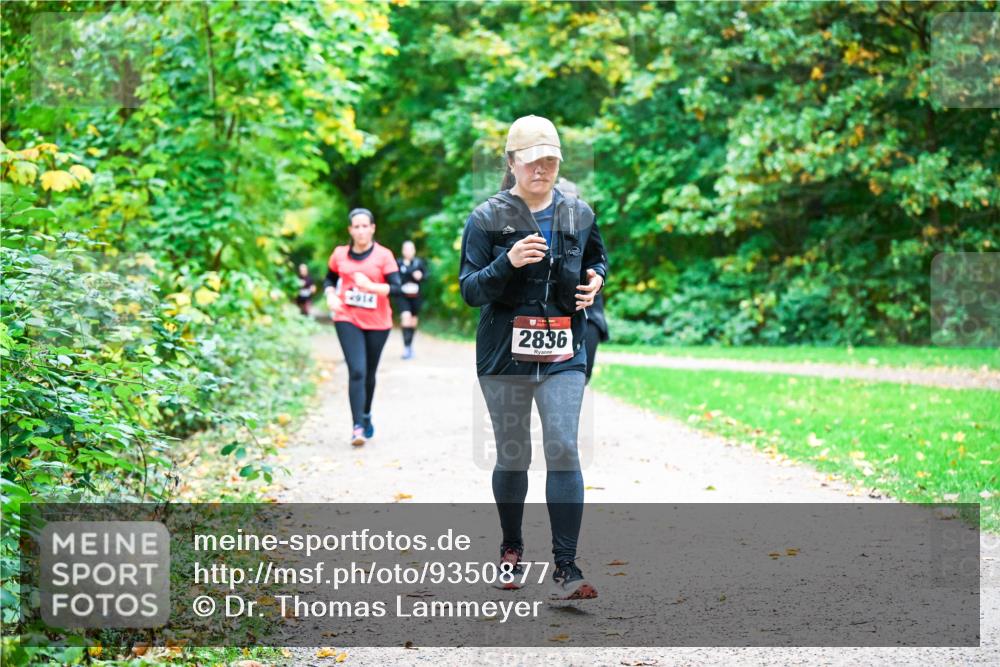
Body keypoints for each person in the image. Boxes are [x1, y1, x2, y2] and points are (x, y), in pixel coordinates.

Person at [458, 115, 608, 600]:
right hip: (504, 353)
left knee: (563, 444)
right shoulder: (486, 218)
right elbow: (469, 290)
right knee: (514, 452)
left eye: (550, 160)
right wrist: (507, 262)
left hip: (565, 347)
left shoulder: (578, 212)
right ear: (511, 163)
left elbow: (596, 259)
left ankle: (566, 567)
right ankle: (511, 547)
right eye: (532, 161)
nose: (541, 169)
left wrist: (595, 282)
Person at [323, 208, 402, 446]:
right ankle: (357, 427)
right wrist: (330, 296)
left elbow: (396, 288)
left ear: (372, 228)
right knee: (356, 370)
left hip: (378, 322)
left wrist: (371, 286)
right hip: (347, 318)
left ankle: (365, 414)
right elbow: (329, 279)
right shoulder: (339, 254)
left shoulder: (384, 256)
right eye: (355, 227)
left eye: (364, 226)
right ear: (350, 230)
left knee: (368, 373)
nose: (360, 231)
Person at [556, 178, 609, 384]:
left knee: (577, 382)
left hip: (587, 319)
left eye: (573, 201)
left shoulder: (587, 231)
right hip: (548, 324)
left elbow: (601, 265)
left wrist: (597, 277)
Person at [395, 240, 428, 360]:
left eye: (411, 249)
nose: (408, 251)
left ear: (414, 250)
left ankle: (410, 345)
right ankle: (406, 347)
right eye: (406, 249)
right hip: (402, 296)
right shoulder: (398, 263)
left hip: (416, 297)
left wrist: (421, 276)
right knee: (405, 317)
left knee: (413, 321)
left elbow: (426, 276)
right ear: (403, 251)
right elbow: (394, 278)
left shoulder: (419, 263)